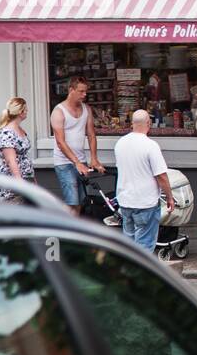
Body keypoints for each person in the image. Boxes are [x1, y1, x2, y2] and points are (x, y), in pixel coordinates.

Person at [113, 110, 175, 253]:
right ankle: (141, 273)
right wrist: (170, 197)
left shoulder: (120, 144)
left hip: (125, 200)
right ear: (149, 123)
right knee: (144, 246)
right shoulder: (150, 145)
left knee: (129, 244)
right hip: (145, 201)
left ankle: (128, 272)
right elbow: (161, 176)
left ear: (132, 124)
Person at [51, 76, 103, 214]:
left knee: (80, 201)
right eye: (81, 91)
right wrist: (77, 163)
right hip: (64, 162)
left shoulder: (86, 109)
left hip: (81, 161)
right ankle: (63, 232)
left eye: (85, 91)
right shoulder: (59, 111)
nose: (84, 95)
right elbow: (60, 142)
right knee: (72, 201)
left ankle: (73, 233)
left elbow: (91, 135)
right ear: (71, 90)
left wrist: (94, 158)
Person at [0, 97, 35, 201]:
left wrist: (32, 180)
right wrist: (19, 182)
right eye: (26, 109)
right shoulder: (7, 132)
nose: (27, 111)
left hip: (26, 177)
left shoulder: (19, 129)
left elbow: (24, 157)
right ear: (20, 112)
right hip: (12, 181)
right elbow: (11, 160)